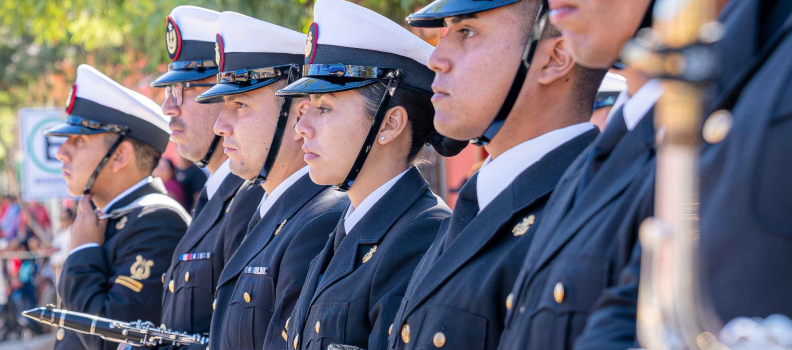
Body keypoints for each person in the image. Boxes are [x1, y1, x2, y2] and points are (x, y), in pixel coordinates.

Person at [383, 0, 603, 349]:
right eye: (445, 33)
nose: (435, 59)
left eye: (467, 32)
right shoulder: (477, 202)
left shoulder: (592, 212)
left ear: (555, 58)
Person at [275, 1, 468, 349]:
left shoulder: (420, 235)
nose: (301, 127)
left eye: (324, 108)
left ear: (390, 124)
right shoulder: (350, 226)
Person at [194, 11, 348, 350]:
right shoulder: (263, 208)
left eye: (240, 104)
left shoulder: (320, 219)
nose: (220, 125)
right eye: (223, 104)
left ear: (298, 114)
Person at [47, 64, 190, 350]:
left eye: (78, 140)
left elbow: (109, 340)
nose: (61, 152)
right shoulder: (111, 217)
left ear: (120, 155)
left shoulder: (158, 222)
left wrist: (83, 253)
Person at [147, 8, 266, 349]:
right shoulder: (214, 193)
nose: (170, 107)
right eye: (170, 91)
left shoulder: (250, 197)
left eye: (184, 89)